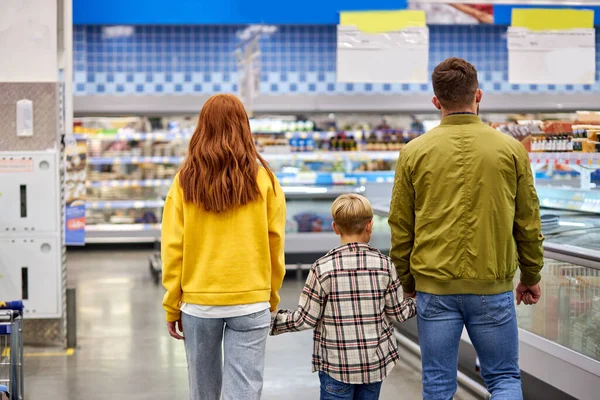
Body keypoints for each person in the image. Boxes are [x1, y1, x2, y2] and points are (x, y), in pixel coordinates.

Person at [389, 57, 544, 400]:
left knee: (439, 383)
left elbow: (401, 226)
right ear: (479, 96)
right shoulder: (511, 150)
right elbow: (528, 220)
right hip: (492, 285)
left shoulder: (413, 152)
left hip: (434, 286)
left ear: (436, 101)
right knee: (503, 378)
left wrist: (407, 279)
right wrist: (530, 275)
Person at [161, 93, 286, 400]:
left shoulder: (184, 181)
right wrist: (270, 295)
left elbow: (173, 247)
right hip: (251, 301)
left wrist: (172, 303)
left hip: (199, 303)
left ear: (202, 128)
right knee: (244, 390)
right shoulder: (265, 180)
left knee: (202, 393)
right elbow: (275, 243)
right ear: (244, 127)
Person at [271, 194, 416, 400]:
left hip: (336, 367)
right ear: (370, 225)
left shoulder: (322, 268)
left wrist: (270, 322)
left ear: (335, 227)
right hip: (373, 366)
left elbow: (306, 319)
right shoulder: (384, 265)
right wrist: (419, 301)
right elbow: (399, 313)